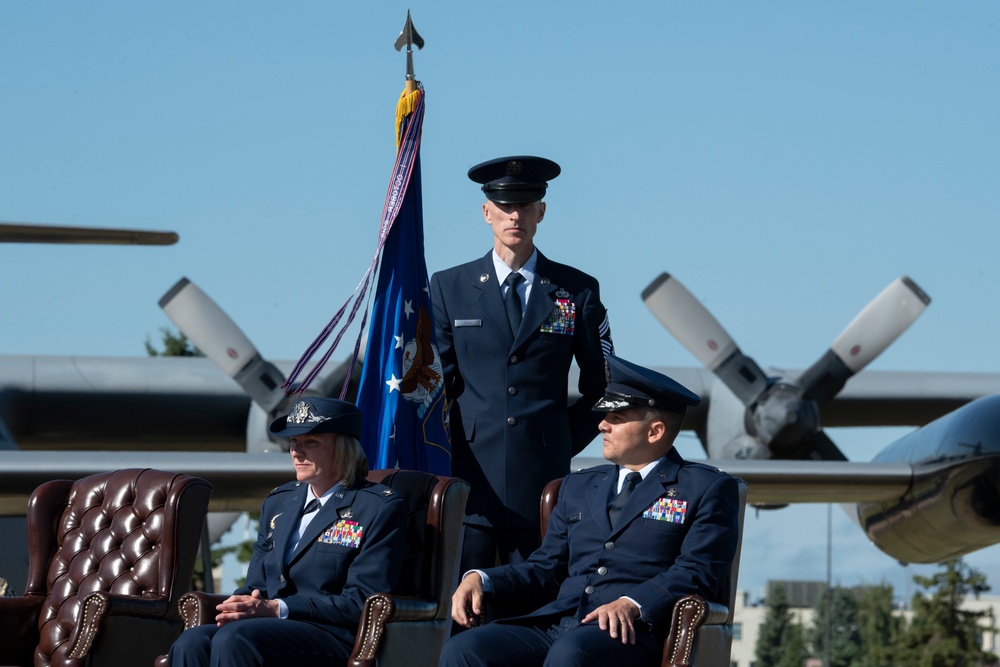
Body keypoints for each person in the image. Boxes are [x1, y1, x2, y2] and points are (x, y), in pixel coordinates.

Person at [438, 355, 741, 667]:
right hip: (560, 622)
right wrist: (481, 578)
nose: (602, 425)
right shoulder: (578, 486)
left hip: (634, 631)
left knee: (571, 653)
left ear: (655, 431)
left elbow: (697, 571)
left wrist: (633, 603)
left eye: (617, 418)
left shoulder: (705, 488)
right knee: (464, 649)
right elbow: (545, 569)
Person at [430, 155, 614, 576]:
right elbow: (437, 383)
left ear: (541, 212)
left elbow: (602, 385)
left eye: (526, 205)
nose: (515, 215)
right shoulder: (449, 286)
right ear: (486, 212)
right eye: (505, 205)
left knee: (533, 607)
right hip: (470, 479)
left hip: (543, 482)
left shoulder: (577, 290)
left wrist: (561, 439)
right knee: (462, 612)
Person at [168, 397, 407, 667]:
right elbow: (256, 585)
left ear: (343, 449)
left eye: (310, 442)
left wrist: (279, 609)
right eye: (294, 442)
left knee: (235, 638)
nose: (297, 452)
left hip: (333, 634)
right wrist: (240, 605)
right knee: (192, 641)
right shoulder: (279, 502)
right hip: (266, 628)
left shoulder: (376, 507)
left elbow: (360, 601)